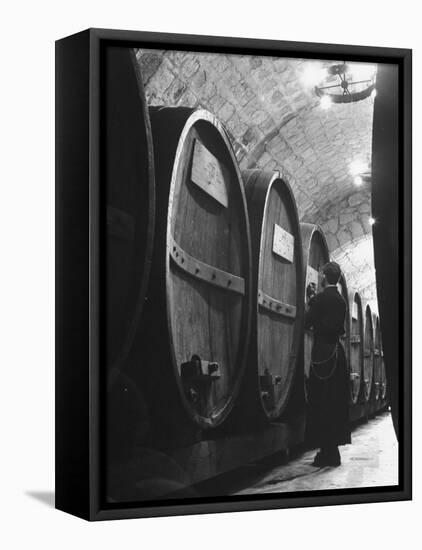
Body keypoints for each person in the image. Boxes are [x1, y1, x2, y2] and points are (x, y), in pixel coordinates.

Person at [304, 261, 351, 467]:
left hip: (323, 352)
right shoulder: (341, 300)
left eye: (322, 275)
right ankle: (333, 452)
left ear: (325, 277)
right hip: (337, 353)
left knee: (321, 400)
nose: (321, 277)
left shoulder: (320, 299)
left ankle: (325, 452)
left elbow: (307, 322)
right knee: (335, 402)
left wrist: (310, 302)